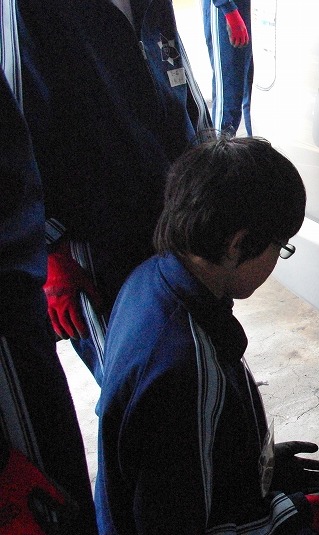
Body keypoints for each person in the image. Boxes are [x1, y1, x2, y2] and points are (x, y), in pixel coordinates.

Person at [95, 135, 319, 534]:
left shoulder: (151, 279)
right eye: (281, 246)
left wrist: (251, 468)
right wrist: (294, 515)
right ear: (237, 244)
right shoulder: (186, 365)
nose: (278, 260)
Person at [16, 0, 211, 385]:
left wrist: (209, 175)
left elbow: (178, 80)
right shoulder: (30, 9)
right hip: (94, 241)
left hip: (176, 215)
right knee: (137, 382)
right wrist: (50, 247)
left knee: (200, 357)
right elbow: (17, 134)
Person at [1, 3, 97, 531]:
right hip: (81, 251)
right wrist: (53, 248)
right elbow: (23, 122)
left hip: (156, 227)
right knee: (41, 489)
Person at [203, 0, 254, 136]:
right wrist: (228, 9)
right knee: (228, 95)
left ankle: (251, 145)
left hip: (245, 9)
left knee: (246, 89)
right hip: (226, 11)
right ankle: (220, 147)